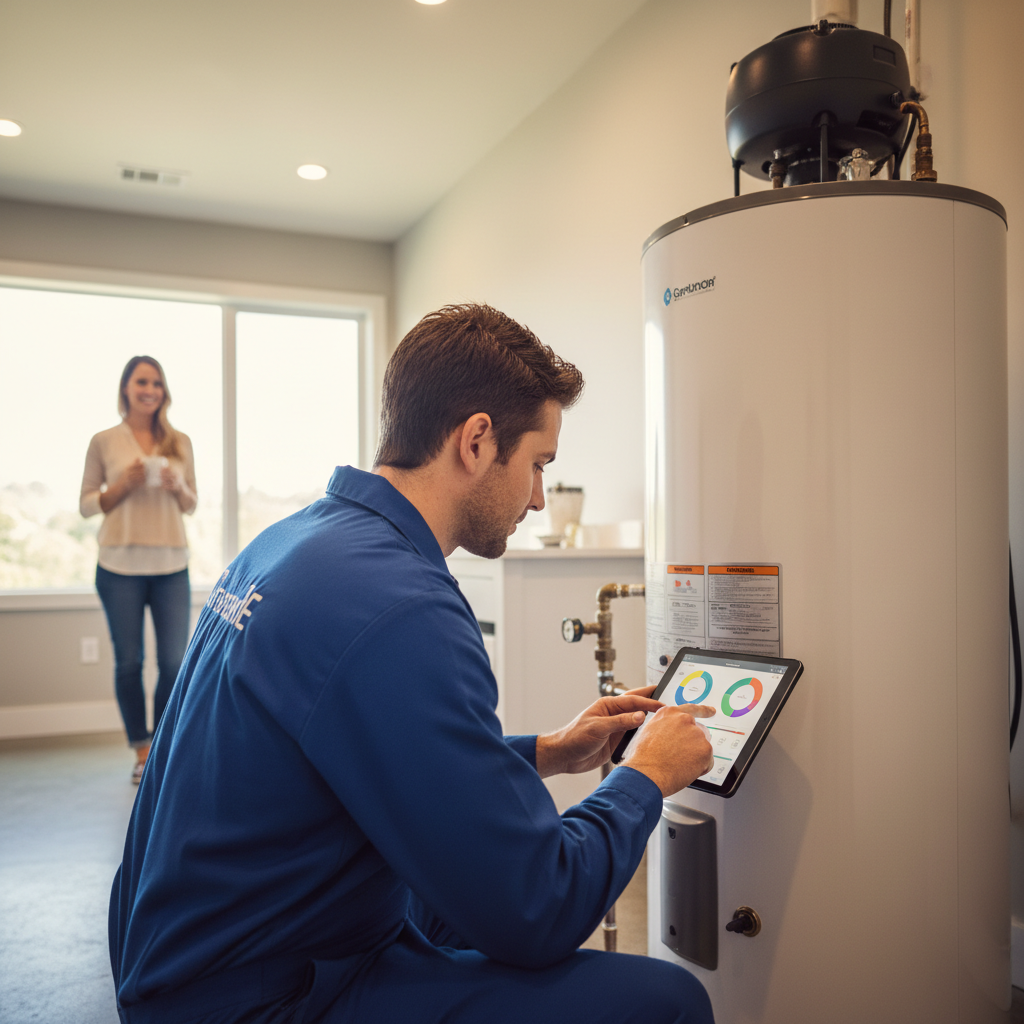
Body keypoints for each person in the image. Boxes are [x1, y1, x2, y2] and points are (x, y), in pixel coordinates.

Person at [109, 305, 716, 1024]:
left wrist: (547, 753)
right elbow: (539, 909)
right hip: (253, 1000)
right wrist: (646, 778)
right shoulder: (402, 606)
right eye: (538, 466)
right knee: (669, 1001)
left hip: (177, 957)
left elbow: (383, 760)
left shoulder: (293, 542)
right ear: (477, 440)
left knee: (451, 895)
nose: (538, 497)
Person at [80, 356, 197, 783]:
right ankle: (142, 751)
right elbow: (87, 504)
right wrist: (122, 486)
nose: (150, 389)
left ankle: (163, 746)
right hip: (118, 566)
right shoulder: (104, 441)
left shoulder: (179, 442)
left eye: (157, 383)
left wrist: (178, 486)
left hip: (171, 566)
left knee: (173, 663)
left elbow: (192, 503)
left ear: (164, 392)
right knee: (129, 663)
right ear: (126, 388)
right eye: (141, 382)